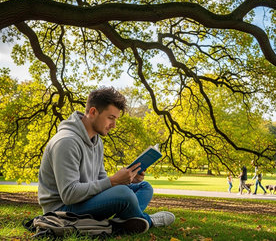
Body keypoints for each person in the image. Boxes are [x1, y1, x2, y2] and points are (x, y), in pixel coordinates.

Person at [37, 87, 175, 235]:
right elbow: (69, 195)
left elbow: (101, 180)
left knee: (144, 187)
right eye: (111, 118)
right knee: (123, 193)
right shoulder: (66, 142)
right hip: (62, 210)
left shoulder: (97, 141)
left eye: (115, 119)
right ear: (93, 112)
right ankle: (147, 220)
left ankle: (122, 223)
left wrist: (127, 179)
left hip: (85, 201)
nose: (114, 125)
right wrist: (114, 182)